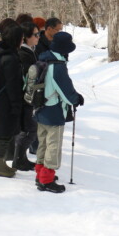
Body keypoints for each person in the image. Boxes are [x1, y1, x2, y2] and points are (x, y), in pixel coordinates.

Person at [34, 31, 83, 193]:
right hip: (53, 111)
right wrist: (77, 99)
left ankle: (40, 173)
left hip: (39, 107)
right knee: (53, 145)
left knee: (43, 143)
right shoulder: (57, 66)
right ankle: (46, 180)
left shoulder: (42, 59)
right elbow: (66, 92)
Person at [0, 25, 26, 178]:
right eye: (21, 37)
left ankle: (0, 164)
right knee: (3, 134)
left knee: (3, 133)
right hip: (5, 103)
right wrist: (16, 106)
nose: (23, 40)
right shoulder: (10, 58)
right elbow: (13, 85)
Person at [12, 21, 41, 171]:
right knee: (29, 129)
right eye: (36, 35)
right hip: (25, 97)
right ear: (26, 37)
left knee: (28, 128)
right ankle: (18, 159)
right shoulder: (24, 54)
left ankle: (21, 158)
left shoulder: (29, 51)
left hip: (26, 97)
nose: (38, 37)